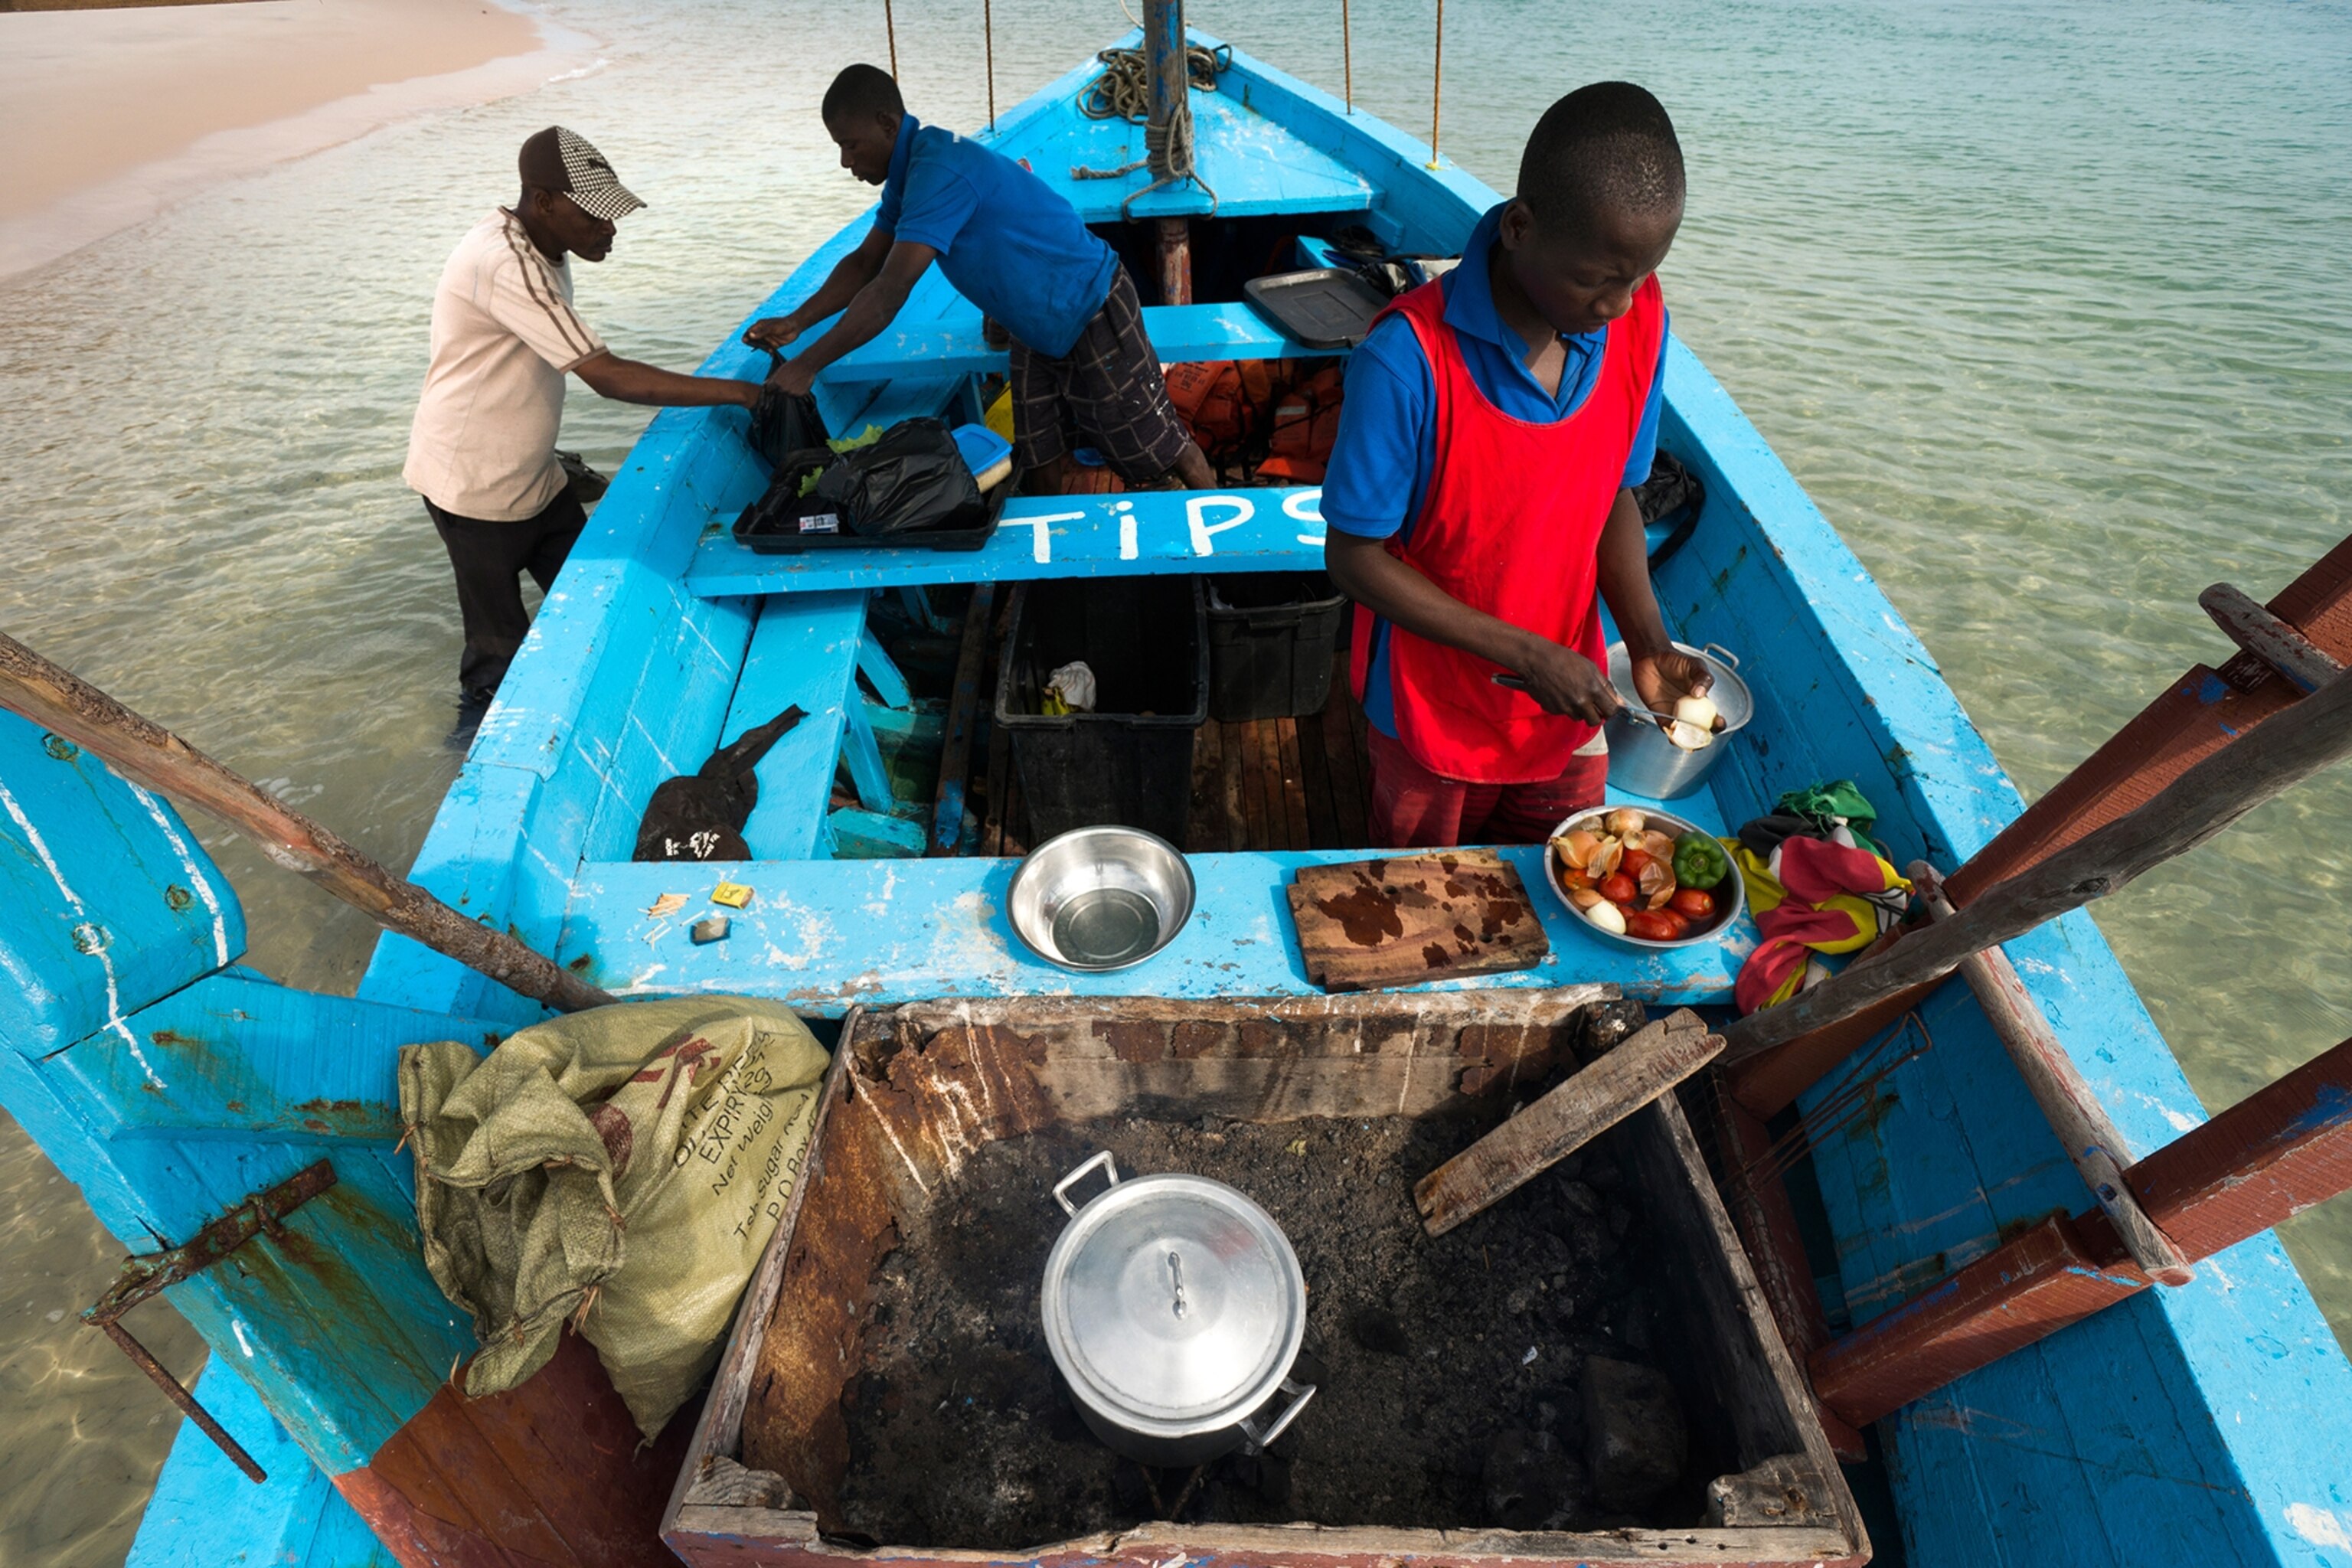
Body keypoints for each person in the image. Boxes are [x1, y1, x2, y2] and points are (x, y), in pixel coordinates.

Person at [1321, 82, 1713, 849]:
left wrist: (1647, 642)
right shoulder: (1409, 361)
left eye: (1638, 277)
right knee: (1423, 895)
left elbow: (1615, 496)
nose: (1622, 304)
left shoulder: (1639, 321)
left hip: (1566, 703)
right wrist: (1526, 653)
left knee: (1571, 868)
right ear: (1522, 227)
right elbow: (1353, 557)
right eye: (1597, 280)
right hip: (1431, 709)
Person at [404, 126, 766, 710]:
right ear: (542, 201)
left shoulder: (541, 245)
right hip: (472, 486)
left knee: (594, 594)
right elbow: (606, 375)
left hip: (534, 475)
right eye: (594, 215)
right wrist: (742, 393)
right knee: (496, 655)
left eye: (611, 214)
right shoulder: (506, 261)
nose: (609, 228)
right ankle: (474, 755)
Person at [745, 65, 1214, 494]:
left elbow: (888, 292)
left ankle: (1228, 549)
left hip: (1087, 305)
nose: (846, 162)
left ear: (888, 125)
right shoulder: (908, 176)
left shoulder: (937, 170)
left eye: (849, 144)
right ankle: (1048, 570)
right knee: (1039, 452)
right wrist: (797, 321)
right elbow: (866, 263)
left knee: (1155, 447)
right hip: (1033, 324)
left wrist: (807, 365)